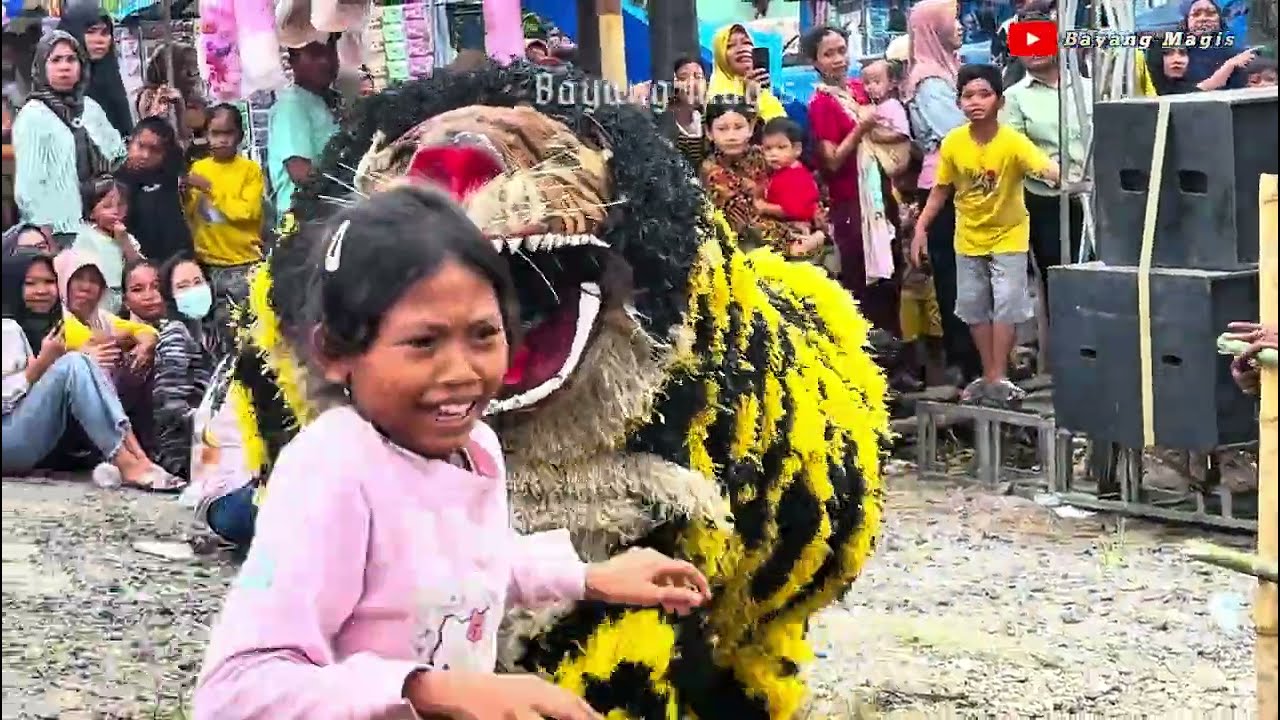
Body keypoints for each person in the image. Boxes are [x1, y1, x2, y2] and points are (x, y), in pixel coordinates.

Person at [193, 184, 711, 719]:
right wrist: (430, 689)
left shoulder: (474, 447)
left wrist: (588, 575)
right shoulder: (334, 469)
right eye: (423, 342)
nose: (462, 372)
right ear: (334, 352)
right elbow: (238, 688)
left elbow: (467, 564)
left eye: (484, 335)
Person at [911, 64, 1060, 407]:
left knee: (1007, 302)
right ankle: (990, 373)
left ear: (999, 100)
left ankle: (997, 376)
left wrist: (1063, 175)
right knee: (974, 306)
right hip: (969, 235)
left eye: (984, 94)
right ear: (959, 101)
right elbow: (940, 190)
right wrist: (921, 228)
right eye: (968, 95)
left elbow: (1045, 167)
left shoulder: (1012, 142)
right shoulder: (953, 143)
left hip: (1009, 233)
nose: (976, 102)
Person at [1, 250, 174, 488]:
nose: (41, 290)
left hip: (36, 441)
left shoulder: (57, 325)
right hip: (8, 440)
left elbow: (135, 331)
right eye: (30, 283)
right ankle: (127, 462)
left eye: (49, 282)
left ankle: (139, 458)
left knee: (83, 362)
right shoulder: (6, 329)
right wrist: (41, 365)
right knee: (76, 363)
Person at [903, 0, 980, 382]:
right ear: (934, 28)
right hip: (946, 190)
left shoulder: (949, 71)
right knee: (955, 275)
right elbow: (958, 134)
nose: (962, 26)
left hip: (965, 185)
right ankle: (965, 361)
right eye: (953, 21)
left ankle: (978, 359)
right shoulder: (930, 80)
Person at [805, 25, 900, 334]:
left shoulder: (860, 89)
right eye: (828, 54)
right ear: (815, 62)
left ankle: (900, 361)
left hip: (880, 196)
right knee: (864, 284)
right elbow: (831, 161)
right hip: (851, 205)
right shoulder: (821, 104)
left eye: (841, 51)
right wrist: (862, 128)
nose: (838, 60)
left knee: (891, 278)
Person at [1001, 21, 1089, 310]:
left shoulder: (1087, 88)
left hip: (1097, 196)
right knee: (1059, 280)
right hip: (1047, 201)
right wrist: (1056, 175)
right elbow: (1017, 150)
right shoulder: (1014, 97)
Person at [12, 31, 126, 239]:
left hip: (103, 223)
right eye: (55, 60)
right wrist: (47, 239)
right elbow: (29, 191)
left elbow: (118, 155)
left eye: (71, 59)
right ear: (41, 67)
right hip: (60, 231)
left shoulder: (90, 108)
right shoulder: (32, 116)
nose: (65, 66)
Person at [185, 103, 265, 341]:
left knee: (247, 333)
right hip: (208, 265)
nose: (221, 140)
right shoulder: (198, 169)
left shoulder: (249, 170)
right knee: (215, 333)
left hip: (243, 264)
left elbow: (246, 212)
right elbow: (192, 213)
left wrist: (210, 189)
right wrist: (185, 192)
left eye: (227, 133)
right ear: (206, 135)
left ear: (240, 135)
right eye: (214, 133)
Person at [148, 254, 218, 478]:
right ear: (171, 297)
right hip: (183, 451)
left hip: (211, 439)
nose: (193, 290)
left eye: (198, 282)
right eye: (182, 286)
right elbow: (170, 408)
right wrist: (213, 425)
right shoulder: (175, 334)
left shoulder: (212, 333)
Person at [699, 95, 791, 252]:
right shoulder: (712, 172)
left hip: (784, 230)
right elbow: (748, 224)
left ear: (751, 127)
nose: (731, 136)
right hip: (745, 248)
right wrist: (796, 241)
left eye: (738, 127)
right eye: (722, 129)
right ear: (709, 132)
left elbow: (796, 182)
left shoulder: (761, 155)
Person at [267, 38, 340, 224]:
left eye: (330, 51)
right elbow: (302, 174)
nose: (326, 61)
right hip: (306, 222)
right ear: (293, 62)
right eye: (315, 54)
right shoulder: (292, 106)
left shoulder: (323, 100)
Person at [115, 116, 194, 262]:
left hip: (178, 260)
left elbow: (182, 142)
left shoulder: (171, 176)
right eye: (140, 146)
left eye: (155, 150)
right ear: (130, 142)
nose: (145, 155)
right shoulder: (116, 181)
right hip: (140, 266)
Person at [757, 117, 832, 269]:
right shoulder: (781, 171)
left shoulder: (796, 175)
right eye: (768, 148)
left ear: (797, 149)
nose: (773, 154)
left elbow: (792, 209)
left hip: (798, 227)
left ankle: (820, 239)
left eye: (781, 147)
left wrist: (764, 207)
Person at [71, 175, 144, 313]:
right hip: (97, 305)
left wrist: (124, 241)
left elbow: (140, 269)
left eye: (121, 205)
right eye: (107, 206)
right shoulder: (85, 238)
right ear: (91, 212)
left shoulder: (127, 238)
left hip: (124, 305)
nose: (116, 211)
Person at [58, 8, 134, 139]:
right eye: (91, 32)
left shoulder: (111, 78)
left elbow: (125, 131)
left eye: (105, 33)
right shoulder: (57, 86)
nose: (99, 40)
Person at [708, 23, 786, 121]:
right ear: (721, 56)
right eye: (730, 46)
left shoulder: (765, 92)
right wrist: (750, 98)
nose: (741, 49)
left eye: (746, 43)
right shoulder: (716, 96)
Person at [1176, 0, 1253, 90]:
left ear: (1220, 20)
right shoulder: (1175, 57)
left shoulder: (1237, 54)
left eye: (1210, 13)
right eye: (1196, 14)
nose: (1203, 18)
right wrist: (1228, 67)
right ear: (1186, 21)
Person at [655, 56, 709, 171]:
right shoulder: (661, 123)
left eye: (698, 77)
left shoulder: (708, 121)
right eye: (683, 78)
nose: (691, 83)